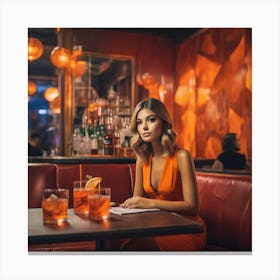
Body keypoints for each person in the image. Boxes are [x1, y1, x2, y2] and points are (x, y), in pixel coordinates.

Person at [119, 98, 207, 251]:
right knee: (120, 242)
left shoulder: (182, 157)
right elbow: (137, 202)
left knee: (136, 247)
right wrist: (118, 207)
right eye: (139, 122)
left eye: (151, 120)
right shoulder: (142, 159)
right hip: (154, 226)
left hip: (185, 228)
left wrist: (151, 203)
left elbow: (192, 207)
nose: (144, 127)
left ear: (164, 122)